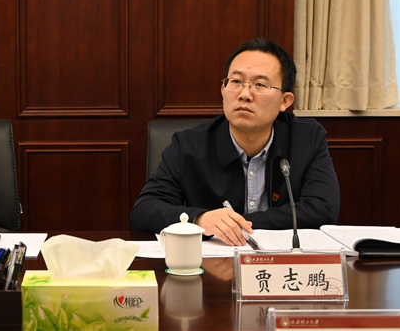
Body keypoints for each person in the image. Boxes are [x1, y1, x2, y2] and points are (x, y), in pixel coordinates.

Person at [130, 37, 340, 246]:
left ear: (284, 101)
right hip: (214, 263)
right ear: (223, 90)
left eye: (260, 84)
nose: (244, 94)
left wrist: (236, 225)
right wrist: (200, 219)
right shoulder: (189, 145)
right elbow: (144, 209)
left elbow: (323, 209)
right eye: (236, 82)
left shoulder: (306, 138)